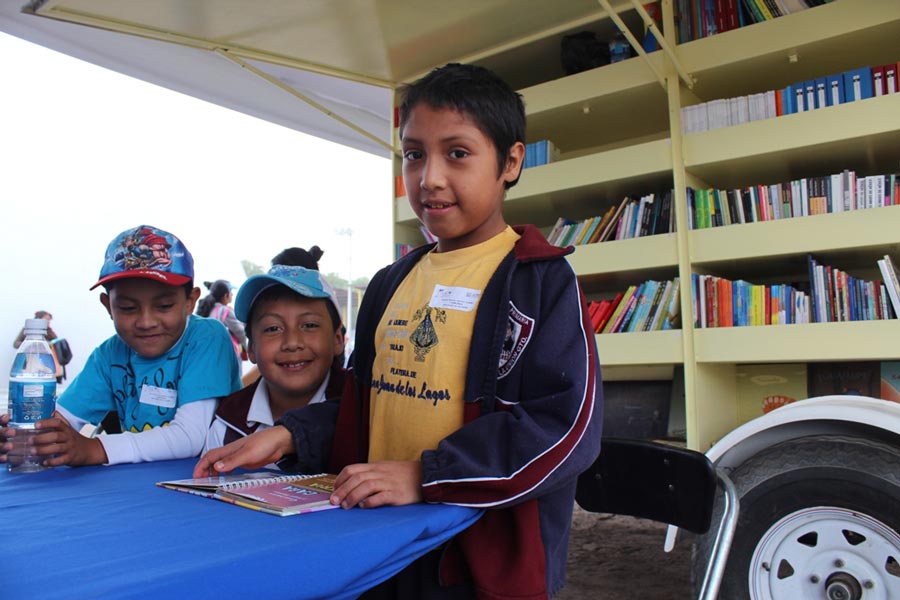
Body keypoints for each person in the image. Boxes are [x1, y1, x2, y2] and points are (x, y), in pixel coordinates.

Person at [194, 63, 603, 599]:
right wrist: (294, 432)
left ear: (510, 161)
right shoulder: (391, 282)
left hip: (475, 559)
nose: (429, 177)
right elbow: (365, 403)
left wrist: (426, 476)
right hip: (378, 544)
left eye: (457, 153)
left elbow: (565, 427)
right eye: (413, 154)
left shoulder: (540, 280)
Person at [0, 224, 243, 467]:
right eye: (127, 308)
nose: (146, 322)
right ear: (108, 306)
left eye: (164, 306)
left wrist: (94, 449)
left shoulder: (207, 337)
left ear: (190, 302)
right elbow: (61, 420)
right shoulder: (109, 355)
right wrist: (25, 438)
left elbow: (190, 437)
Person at [203, 264, 347, 454]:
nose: (292, 342)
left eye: (310, 325)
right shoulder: (227, 423)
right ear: (252, 348)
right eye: (273, 328)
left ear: (337, 340)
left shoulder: (361, 408)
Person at [197, 279, 248, 362]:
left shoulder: (211, 310)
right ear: (225, 296)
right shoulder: (225, 311)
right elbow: (241, 333)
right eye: (230, 291)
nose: (232, 294)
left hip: (215, 355)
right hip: (228, 355)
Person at [13, 310, 68, 383]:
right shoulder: (28, 329)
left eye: (49, 320)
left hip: (47, 362)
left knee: (49, 380)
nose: (48, 322)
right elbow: (16, 344)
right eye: (46, 319)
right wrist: (31, 344)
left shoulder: (49, 331)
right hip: (31, 361)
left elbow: (55, 343)